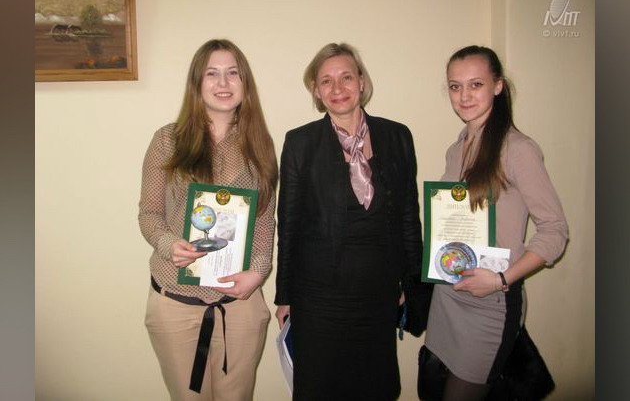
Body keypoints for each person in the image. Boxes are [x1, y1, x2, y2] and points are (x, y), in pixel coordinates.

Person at [274, 42, 431, 401]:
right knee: (320, 390)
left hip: (378, 293)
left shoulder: (397, 136)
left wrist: (412, 284)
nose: (337, 88)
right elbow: (289, 226)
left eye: (346, 77)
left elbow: (410, 218)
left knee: (374, 387)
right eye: (326, 81)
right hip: (318, 297)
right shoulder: (300, 143)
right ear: (315, 90)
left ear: (361, 81)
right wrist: (285, 296)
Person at [419, 45, 569, 400]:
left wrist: (501, 279)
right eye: (455, 86)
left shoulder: (518, 149)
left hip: (490, 302)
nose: (464, 96)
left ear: (498, 86)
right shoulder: (456, 148)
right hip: (447, 298)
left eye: (476, 85)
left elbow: (555, 231)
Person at [138, 39, 277, 401]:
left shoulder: (260, 144)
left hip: (240, 304)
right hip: (176, 304)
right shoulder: (168, 140)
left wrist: (259, 270)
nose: (223, 83)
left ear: (245, 83)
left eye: (233, 73)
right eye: (212, 74)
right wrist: (169, 244)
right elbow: (149, 213)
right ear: (197, 83)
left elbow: (265, 223)